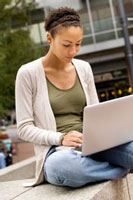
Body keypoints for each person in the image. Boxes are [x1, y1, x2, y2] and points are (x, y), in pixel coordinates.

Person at [15, 7, 133, 188]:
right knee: (65, 169)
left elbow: (97, 113)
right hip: (56, 151)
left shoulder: (84, 68)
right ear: (49, 39)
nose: (73, 51)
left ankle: (100, 167)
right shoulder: (28, 73)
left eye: (78, 43)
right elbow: (24, 127)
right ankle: (121, 170)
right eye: (67, 44)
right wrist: (61, 138)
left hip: (93, 143)